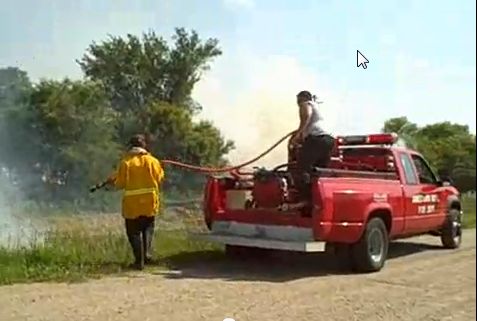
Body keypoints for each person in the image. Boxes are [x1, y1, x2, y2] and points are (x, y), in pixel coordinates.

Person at [106, 134, 165, 270]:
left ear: (130, 146)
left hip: (132, 203)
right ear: (144, 145)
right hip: (149, 201)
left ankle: (139, 261)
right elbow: (160, 178)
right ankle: (147, 254)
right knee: (148, 228)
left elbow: (120, 184)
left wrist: (113, 181)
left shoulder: (126, 163)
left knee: (133, 231)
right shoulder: (153, 161)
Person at [289, 90, 335, 209]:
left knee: (301, 168)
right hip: (329, 139)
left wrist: (298, 134)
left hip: (316, 138)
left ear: (302, 98)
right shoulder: (317, 107)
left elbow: (306, 116)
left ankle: (304, 199)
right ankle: (317, 200)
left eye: (298, 100)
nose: (297, 103)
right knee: (318, 172)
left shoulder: (306, 104)